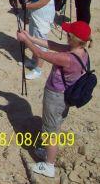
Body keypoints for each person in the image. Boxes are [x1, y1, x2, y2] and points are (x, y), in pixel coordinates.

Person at [16, 21, 91, 178]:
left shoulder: (67, 58)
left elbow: (42, 54)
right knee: (53, 125)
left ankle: (49, 165)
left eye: (68, 33)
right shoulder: (80, 51)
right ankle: (48, 151)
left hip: (56, 97)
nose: (66, 35)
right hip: (64, 96)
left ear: (72, 38)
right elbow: (51, 44)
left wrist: (26, 41)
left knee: (51, 133)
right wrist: (31, 37)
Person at [20, 0, 61, 80]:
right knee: (33, 37)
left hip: (43, 15)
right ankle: (33, 61)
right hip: (34, 14)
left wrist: (24, 6)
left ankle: (38, 69)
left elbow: (42, 3)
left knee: (41, 40)